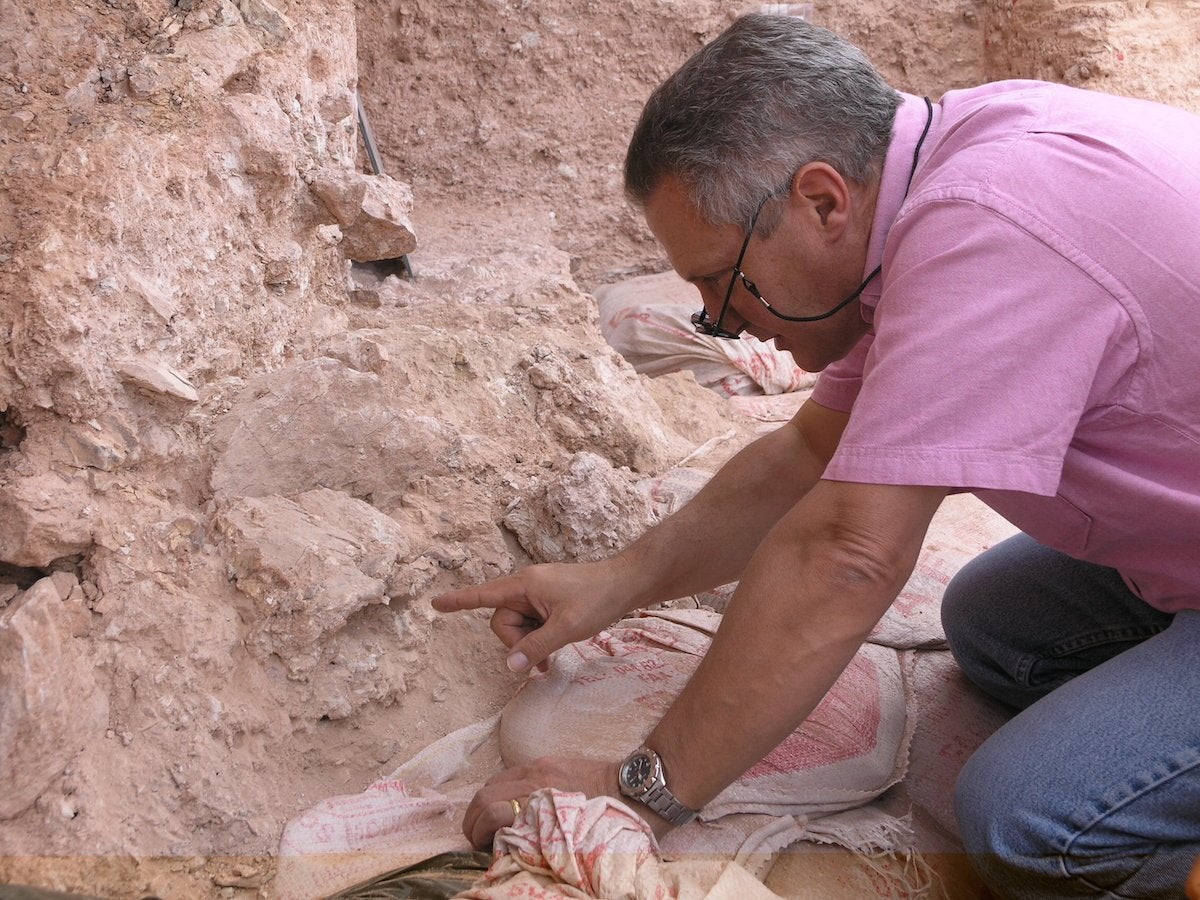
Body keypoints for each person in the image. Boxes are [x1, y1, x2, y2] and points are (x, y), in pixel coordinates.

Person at [433, 13, 1200, 898]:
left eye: (723, 279)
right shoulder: (945, 176)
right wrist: (621, 579)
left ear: (823, 201)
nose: (721, 319)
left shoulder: (989, 226)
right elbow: (807, 451)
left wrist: (639, 793)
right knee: (996, 626)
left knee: (1031, 822)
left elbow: (848, 554)